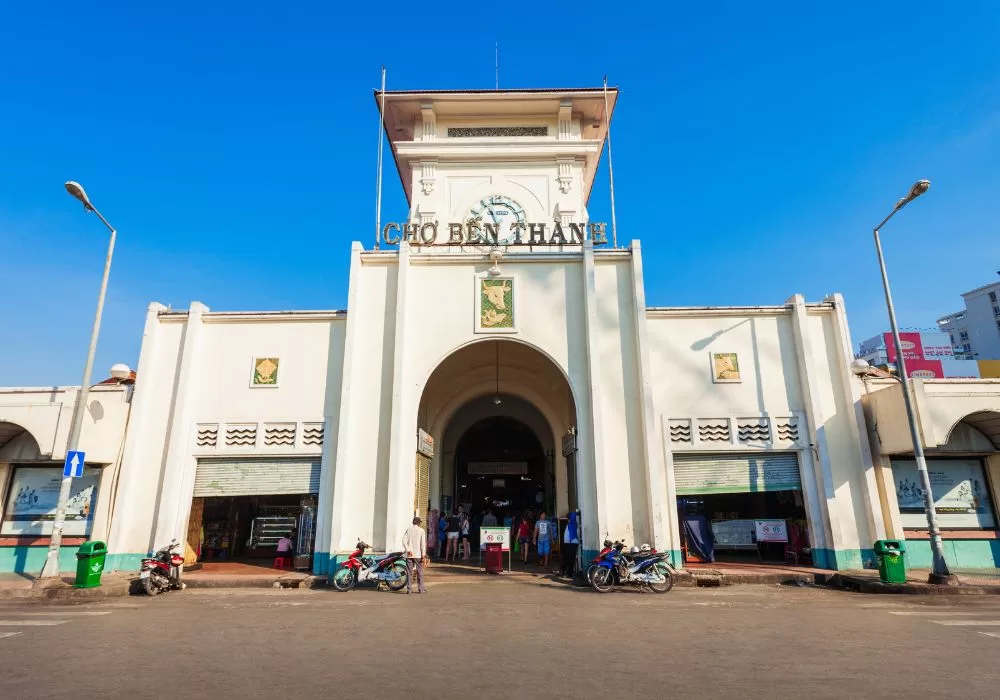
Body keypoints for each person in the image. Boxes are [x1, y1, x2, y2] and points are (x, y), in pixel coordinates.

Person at [401, 516, 427, 594]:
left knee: (409, 572)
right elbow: (422, 544)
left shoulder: (408, 530)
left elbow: (404, 541)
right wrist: (423, 554)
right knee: (420, 572)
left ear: (413, 522)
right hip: (418, 554)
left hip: (410, 554)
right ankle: (421, 589)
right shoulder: (421, 530)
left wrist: (408, 550)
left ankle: (409, 589)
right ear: (419, 523)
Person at [560, 511, 580, 579]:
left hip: (569, 544)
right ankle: (568, 573)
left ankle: (564, 572)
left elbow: (566, 536)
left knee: (567, 559)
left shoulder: (570, 525)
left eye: (568, 518)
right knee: (571, 559)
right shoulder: (575, 524)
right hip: (573, 544)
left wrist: (565, 544)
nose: (568, 520)